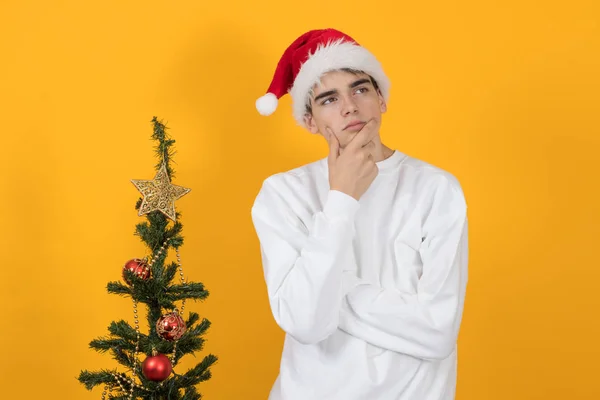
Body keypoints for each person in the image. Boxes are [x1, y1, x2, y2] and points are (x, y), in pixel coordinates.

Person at [250, 28, 469, 400]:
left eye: (361, 89)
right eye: (329, 99)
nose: (349, 106)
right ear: (310, 121)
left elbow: (438, 332)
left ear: (381, 99)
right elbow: (306, 322)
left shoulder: (437, 189)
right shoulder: (283, 194)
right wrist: (341, 198)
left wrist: (334, 290)